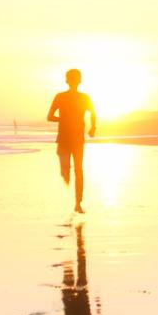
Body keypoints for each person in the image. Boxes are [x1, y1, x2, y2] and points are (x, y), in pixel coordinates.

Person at [47, 68, 97, 213]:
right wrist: (93, 127)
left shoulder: (80, 97)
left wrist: (93, 127)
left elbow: (93, 113)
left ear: (67, 80)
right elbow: (49, 116)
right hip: (69, 139)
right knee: (73, 170)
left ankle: (77, 203)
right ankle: (77, 201)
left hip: (73, 139)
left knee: (77, 170)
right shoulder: (63, 97)